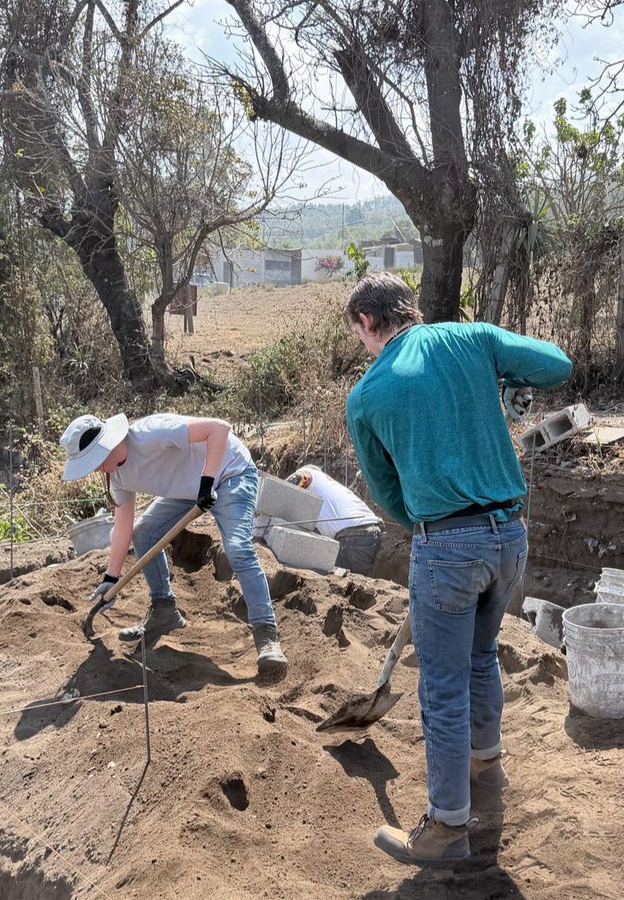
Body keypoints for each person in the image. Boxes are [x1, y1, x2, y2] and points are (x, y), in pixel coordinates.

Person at [343, 273, 571, 865]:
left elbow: (388, 495)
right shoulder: (471, 339)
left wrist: (425, 528)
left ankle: (446, 827)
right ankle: (486, 767)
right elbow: (556, 364)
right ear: (408, 310)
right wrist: (501, 368)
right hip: (510, 538)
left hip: (446, 546)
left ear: (368, 323)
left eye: (359, 336)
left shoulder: (367, 396)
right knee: (479, 657)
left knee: (440, 687)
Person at [60, 412, 288, 682]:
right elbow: (123, 527)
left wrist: (207, 482)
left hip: (229, 473)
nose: (97, 468)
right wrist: (111, 578)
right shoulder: (117, 477)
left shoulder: (150, 434)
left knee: (238, 549)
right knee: (144, 533)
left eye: (95, 460)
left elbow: (219, 429)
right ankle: (164, 609)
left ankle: (267, 637)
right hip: (188, 491)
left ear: (108, 444)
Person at [285, 465, 383, 575]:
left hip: (352, 536)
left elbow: (296, 479)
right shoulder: (328, 488)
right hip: (373, 530)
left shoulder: (307, 474)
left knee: (346, 584)